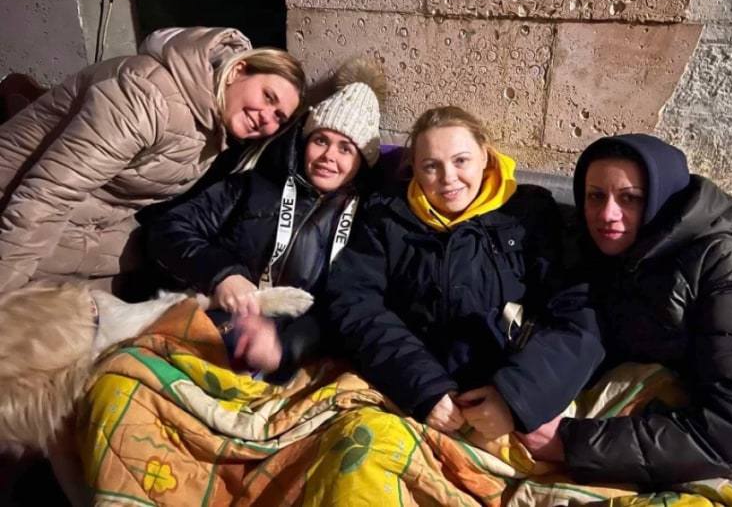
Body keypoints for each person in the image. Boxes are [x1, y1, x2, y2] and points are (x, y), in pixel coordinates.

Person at [325, 105, 604, 437]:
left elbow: (578, 312)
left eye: (461, 161)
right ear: (414, 168)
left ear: (485, 156)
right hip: (414, 397)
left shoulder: (529, 214)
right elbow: (355, 302)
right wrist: (422, 387)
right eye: (431, 166)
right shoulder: (387, 219)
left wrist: (514, 398)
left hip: (507, 400)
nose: (448, 179)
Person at [518, 133, 732, 486]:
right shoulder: (586, 247)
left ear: (662, 200)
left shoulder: (721, 266)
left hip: (687, 438)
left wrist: (569, 443)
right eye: (595, 196)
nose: (607, 215)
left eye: (630, 198)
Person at [0, 26, 305, 295]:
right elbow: (50, 192)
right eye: (268, 96)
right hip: (17, 206)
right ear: (238, 70)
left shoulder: (213, 126)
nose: (267, 118)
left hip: (85, 221)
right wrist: (8, 288)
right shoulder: (148, 97)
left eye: (279, 117)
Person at [148, 57, 385, 376]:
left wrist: (284, 346)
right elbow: (170, 229)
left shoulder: (368, 222)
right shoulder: (253, 183)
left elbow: (353, 306)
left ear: (362, 162)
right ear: (304, 141)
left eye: (346, 149)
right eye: (320, 140)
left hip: (295, 355)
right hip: (217, 324)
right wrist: (221, 273)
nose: (329, 156)